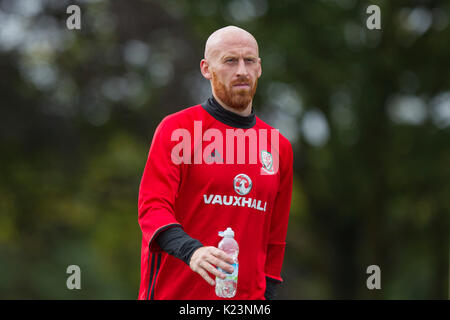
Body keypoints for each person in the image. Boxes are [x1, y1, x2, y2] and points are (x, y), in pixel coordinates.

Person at [138, 26, 293, 300]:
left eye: (250, 61)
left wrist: (265, 296)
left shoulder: (278, 147)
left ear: (260, 68)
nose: (242, 70)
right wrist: (192, 251)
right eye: (230, 61)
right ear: (206, 69)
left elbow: (275, 240)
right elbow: (152, 209)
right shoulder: (178, 130)